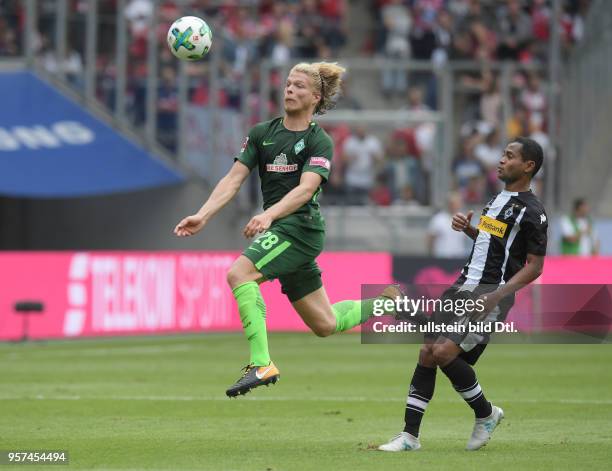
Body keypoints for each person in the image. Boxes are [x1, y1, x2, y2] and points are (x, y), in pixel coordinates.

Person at [174, 62, 396, 397]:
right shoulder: (263, 133)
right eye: (288, 84)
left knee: (239, 274)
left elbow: (306, 189)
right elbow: (233, 179)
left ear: (315, 97)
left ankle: (261, 363)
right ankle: (385, 303)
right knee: (324, 324)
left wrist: (268, 215)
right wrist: (203, 214)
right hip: (284, 231)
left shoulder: (318, 141)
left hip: (300, 229)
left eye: (299, 86)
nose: (290, 90)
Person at [379, 137, 548, 451]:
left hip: (489, 293)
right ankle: (409, 437)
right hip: (463, 284)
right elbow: (493, 243)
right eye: (502, 154)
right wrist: (469, 230)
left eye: (509, 156)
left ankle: (485, 414)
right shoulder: (497, 200)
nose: (501, 160)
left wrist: (497, 296)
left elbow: (535, 266)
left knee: (443, 353)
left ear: (528, 166)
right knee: (428, 352)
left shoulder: (533, 212)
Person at [427, 192, 469, 258]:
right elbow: (431, 238)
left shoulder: (464, 219)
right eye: (452, 203)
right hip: (441, 257)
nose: (455, 205)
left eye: (457, 203)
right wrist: (431, 255)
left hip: (459, 257)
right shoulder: (438, 219)